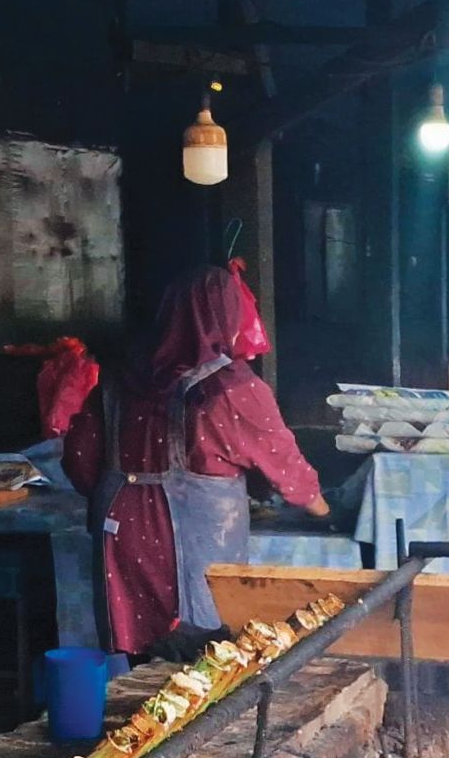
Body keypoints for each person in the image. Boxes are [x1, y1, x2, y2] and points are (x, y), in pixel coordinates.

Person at [63, 266, 328, 657]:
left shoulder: (118, 378)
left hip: (119, 533)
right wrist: (324, 511)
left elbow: (81, 460)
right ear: (225, 316)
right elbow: (286, 470)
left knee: (144, 656)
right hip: (188, 539)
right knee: (202, 655)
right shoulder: (230, 387)